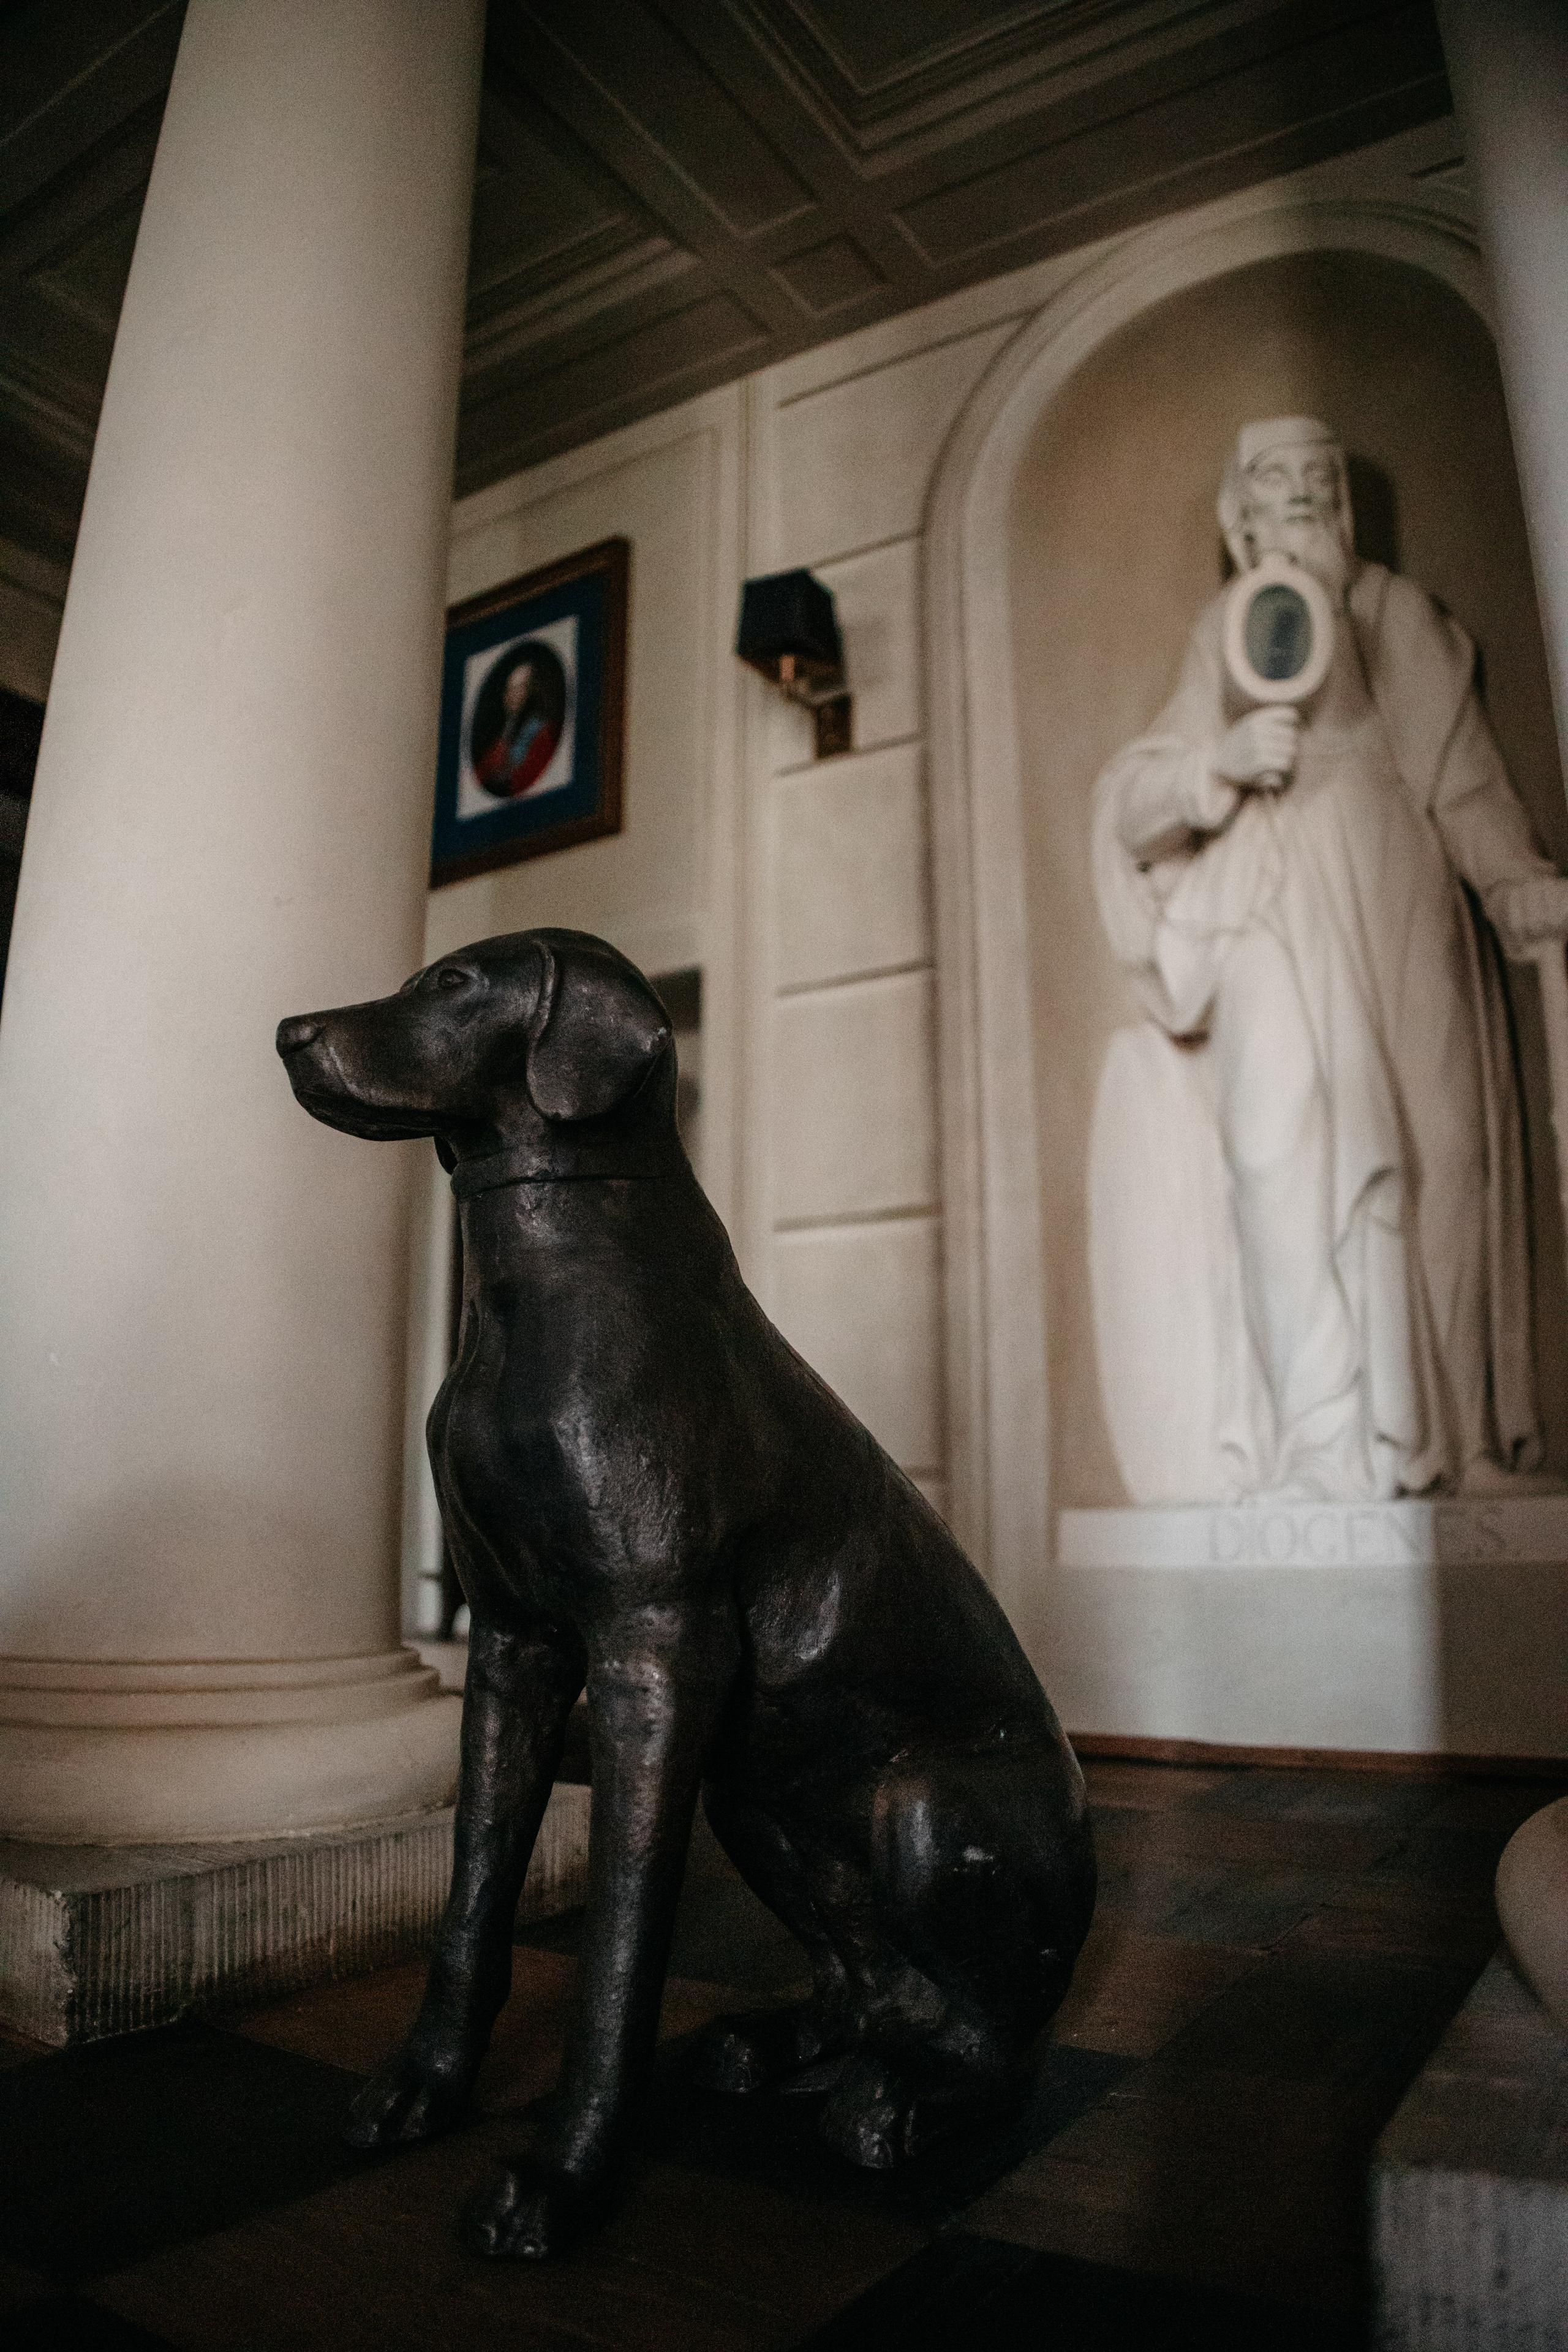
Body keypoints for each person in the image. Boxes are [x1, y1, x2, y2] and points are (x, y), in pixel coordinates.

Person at [1090, 417, 1568, 1504]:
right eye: (1276, 480)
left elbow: (1464, 782)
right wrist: (1218, 763)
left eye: (1320, 478)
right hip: (1266, 887)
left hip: (1393, 871)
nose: (1302, 493)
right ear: (1241, 514)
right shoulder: (1223, 628)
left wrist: (1513, 883)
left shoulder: (1396, 613)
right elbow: (1138, 798)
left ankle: (1450, 1441)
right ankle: (1321, 1442)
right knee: (1275, 1150)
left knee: (1442, 1143)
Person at [473, 655, 559, 797]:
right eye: (509, 690)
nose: (511, 696)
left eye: (519, 689)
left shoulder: (545, 733)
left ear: (532, 692)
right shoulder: (502, 739)